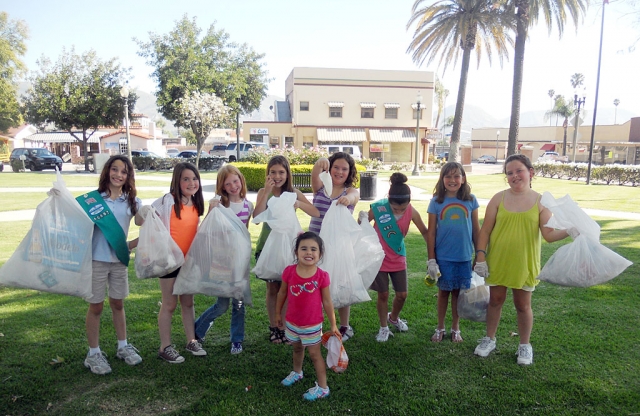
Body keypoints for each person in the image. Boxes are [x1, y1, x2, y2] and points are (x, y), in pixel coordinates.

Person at [473, 155, 571, 365]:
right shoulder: (498, 198)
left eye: (519, 171)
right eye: (509, 173)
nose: (514, 176)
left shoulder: (541, 201)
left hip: (525, 263)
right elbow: (486, 230)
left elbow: (549, 235)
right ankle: (489, 339)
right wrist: (480, 255)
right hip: (498, 260)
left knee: (523, 305)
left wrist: (570, 230)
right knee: (495, 301)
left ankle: (524, 346)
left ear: (530, 172)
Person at [75, 155, 144, 375]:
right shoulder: (94, 200)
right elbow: (75, 223)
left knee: (118, 304)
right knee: (96, 305)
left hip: (119, 261)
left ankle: (122, 346)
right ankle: (93, 353)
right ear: (107, 171)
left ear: (128, 176)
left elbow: (144, 222)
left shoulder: (132, 201)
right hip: (96, 260)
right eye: (114, 169)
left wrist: (133, 243)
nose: (118, 175)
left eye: (123, 172)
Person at [253, 155, 320, 344]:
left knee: (288, 288)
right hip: (268, 247)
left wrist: (299, 203)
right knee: (272, 288)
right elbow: (256, 218)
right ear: (267, 174)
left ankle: (285, 326)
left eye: (281, 172)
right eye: (273, 172)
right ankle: (274, 326)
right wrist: (265, 192)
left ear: (287, 173)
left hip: (290, 248)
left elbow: (315, 212)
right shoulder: (264, 192)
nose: (277, 176)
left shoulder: (293, 192)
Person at [151, 162, 207, 363]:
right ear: (177, 181)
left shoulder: (196, 204)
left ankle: (191, 340)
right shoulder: (168, 201)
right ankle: (165, 347)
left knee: (188, 302)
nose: (192, 183)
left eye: (194, 178)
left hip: (188, 262)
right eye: (186, 179)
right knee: (169, 303)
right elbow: (149, 217)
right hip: (169, 262)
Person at [362, 173, 428, 342]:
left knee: (402, 295)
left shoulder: (412, 212)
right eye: (395, 209)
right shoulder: (378, 209)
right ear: (388, 200)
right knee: (383, 294)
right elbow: (361, 227)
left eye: (402, 209)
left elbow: (425, 232)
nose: (399, 212)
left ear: (409, 203)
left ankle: (394, 318)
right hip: (379, 257)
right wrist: (361, 221)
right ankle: (383, 327)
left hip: (398, 256)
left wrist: (433, 256)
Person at [194, 165, 252, 354]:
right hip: (223, 262)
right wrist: (211, 208)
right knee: (221, 305)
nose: (233, 186)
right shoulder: (220, 205)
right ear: (223, 187)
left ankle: (237, 339)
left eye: (235, 181)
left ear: (241, 180)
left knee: (239, 304)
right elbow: (206, 229)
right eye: (228, 184)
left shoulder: (247, 205)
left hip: (240, 263)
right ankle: (197, 330)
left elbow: (245, 231)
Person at [275, 232, 339, 401]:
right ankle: (297, 372)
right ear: (296, 252)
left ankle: (323, 387)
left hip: (311, 325)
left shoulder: (321, 276)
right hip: (292, 322)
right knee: (296, 348)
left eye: (313, 249)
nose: (308, 253)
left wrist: (333, 324)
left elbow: (327, 301)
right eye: (304, 248)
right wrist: (277, 313)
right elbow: (282, 293)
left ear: (320, 254)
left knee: (315, 355)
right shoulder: (289, 272)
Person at [427, 162, 480, 343]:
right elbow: (431, 232)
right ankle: (440, 327)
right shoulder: (436, 202)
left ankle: (455, 328)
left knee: (458, 294)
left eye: (456, 176)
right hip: (443, 257)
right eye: (448, 176)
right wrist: (431, 259)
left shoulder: (471, 200)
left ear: (463, 178)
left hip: (464, 256)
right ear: (442, 179)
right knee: (443, 292)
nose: (452, 180)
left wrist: (480, 255)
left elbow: (476, 230)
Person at [310, 152, 360, 341]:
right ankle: (317, 324)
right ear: (329, 169)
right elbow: (315, 174)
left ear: (350, 172)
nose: (339, 172)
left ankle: (345, 326)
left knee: (340, 284)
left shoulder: (350, 191)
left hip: (339, 246)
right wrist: (318, 162)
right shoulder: (321, 187)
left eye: (344, 169)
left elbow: (355, 196)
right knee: (316, 284)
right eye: (335, 167)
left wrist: (348, 200)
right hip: (316, 246)